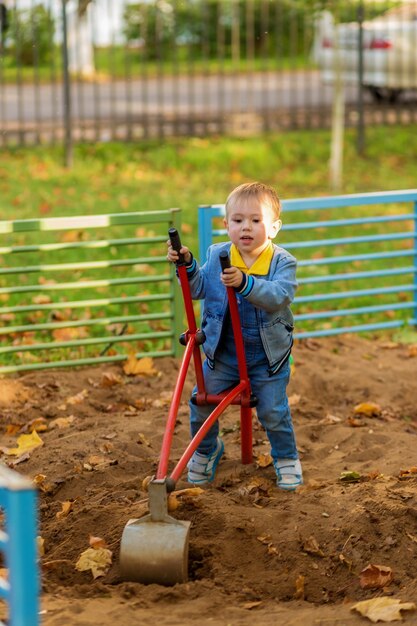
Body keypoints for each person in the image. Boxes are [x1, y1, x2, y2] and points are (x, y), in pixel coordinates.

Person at [167, 182, 303, 491]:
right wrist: (187, 265)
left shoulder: (283, 262)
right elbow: (199, 287)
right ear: (226, 225)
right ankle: (206, 450)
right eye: (238, 220)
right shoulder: (217, 255)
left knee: (272, 411)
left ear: (274, 228)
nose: (246, 227)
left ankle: (286, 457)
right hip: (224, 353)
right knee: (201, 402)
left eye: (256, 221)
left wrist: (245, 283)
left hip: (268, 358)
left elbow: (279, 296)